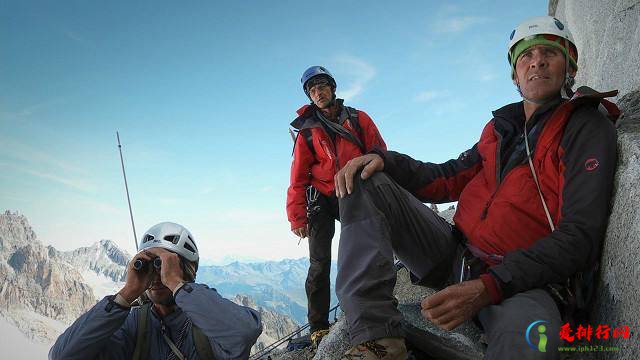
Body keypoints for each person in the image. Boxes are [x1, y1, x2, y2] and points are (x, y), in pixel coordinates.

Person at [333, 16, 619, 359]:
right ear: (515, 74)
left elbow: (580, 235)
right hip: (457, 256)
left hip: (523, 283)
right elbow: (445, 178)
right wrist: (386, 160)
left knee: (531, 342)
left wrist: (489, 287)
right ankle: (378, 339)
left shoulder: (584, 126)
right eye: (526, 56)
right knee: (364, 179)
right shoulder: (499, 129)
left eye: (549, 53)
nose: (537, 61)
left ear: (570, 67)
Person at [49, 222, 262, 360]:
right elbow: (61, 357)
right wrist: (126, 294)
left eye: (164, 265)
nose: (157, 276)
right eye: (151, 267)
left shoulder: (208, 319)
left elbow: (244, 333)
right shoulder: (134, 324)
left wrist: (177, 285)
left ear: (187, 270)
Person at [286, 66, 387, 346]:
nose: (318, 92)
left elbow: (379, 150)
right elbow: (297, 176)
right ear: (310, 96)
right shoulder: (307, 130)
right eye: (312, 90)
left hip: (354, 191)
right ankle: (318, 326)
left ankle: (364, 311)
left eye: (321, 86)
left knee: (362, 253)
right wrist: (297, 217)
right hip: (321, 199)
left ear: (333, 88)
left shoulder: (357, 118)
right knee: (319, 264)